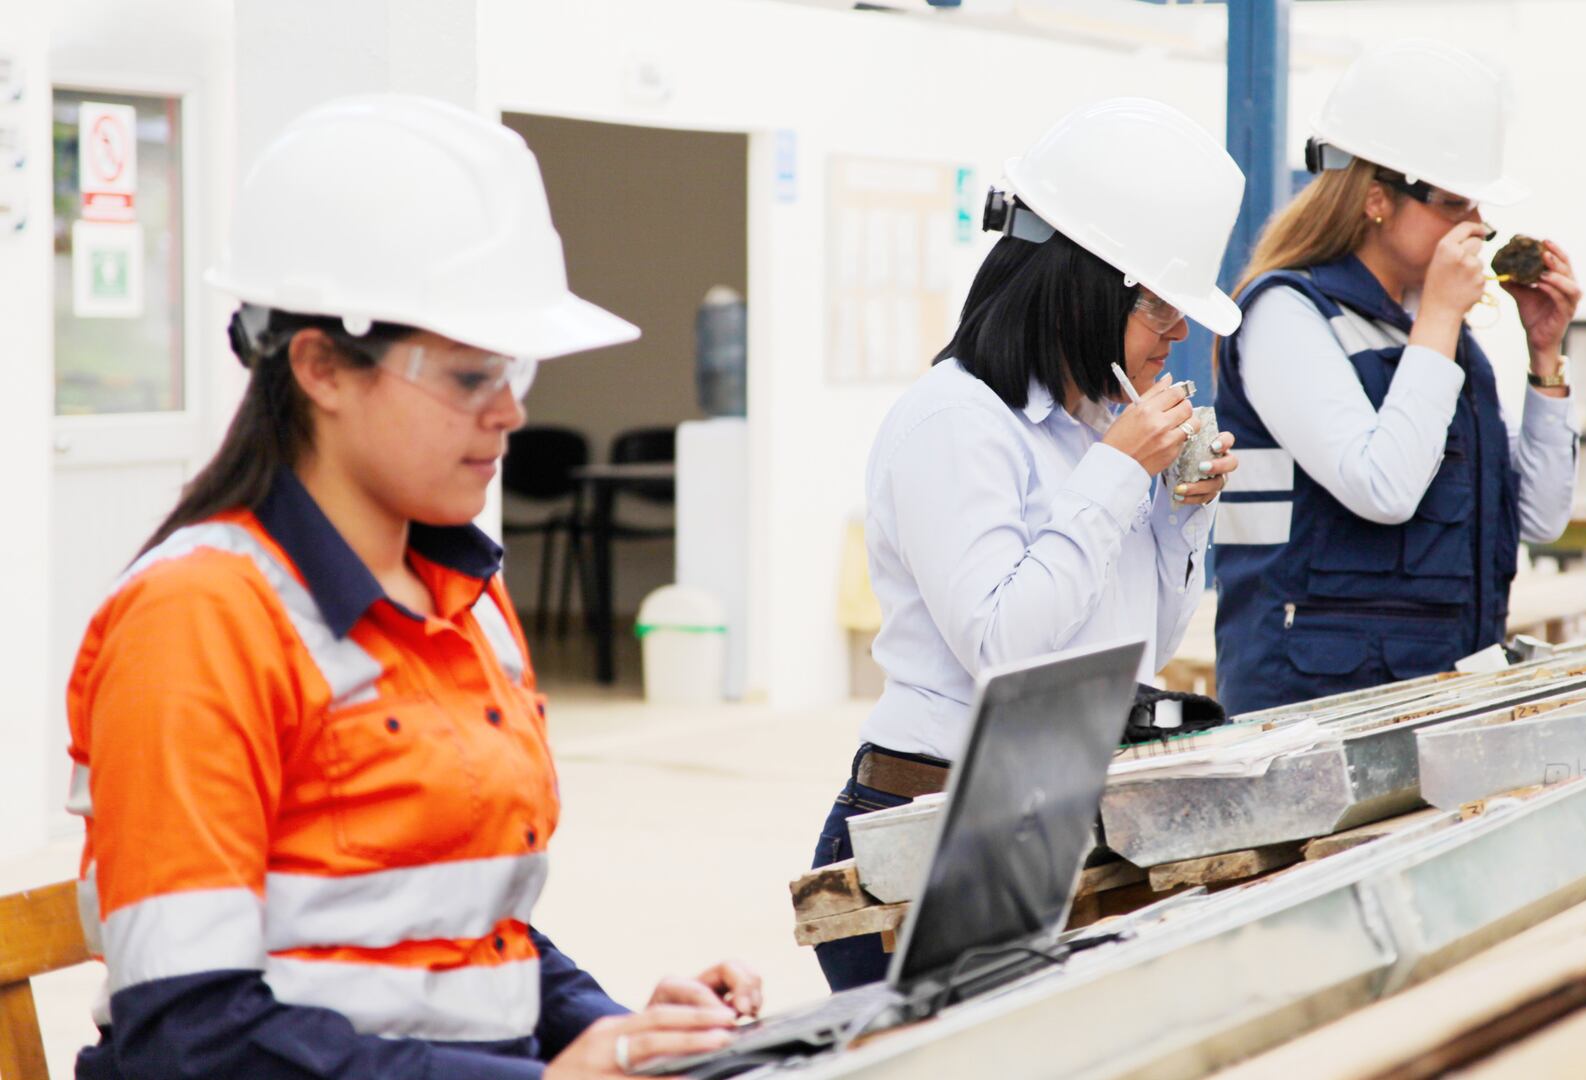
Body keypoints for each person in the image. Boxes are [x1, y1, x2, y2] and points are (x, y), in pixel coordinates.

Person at [66, 94, 761, 1080]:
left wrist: (620, 1036)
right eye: (470, 375)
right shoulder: (196, 621)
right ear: (321, 366)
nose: (512, 411)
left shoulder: (460, 594)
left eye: (512, 368)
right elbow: (192, 1039)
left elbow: (462, 929)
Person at [808, 97, 1247, 991]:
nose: (1178, 335)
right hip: (925, 821)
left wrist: (1179, 511)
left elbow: (1141, 653)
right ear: (1085, 284)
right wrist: (1120, 476)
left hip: (1051, 811)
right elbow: (1005, 646)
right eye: (1161, 308)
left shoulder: (1096, 426)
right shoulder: (954, 421)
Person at [1211, 39, 1582, 715]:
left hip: (1429, 700)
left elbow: (1539, 518)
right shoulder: (1285, 316)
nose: (1476, 227)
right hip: (1309, 712)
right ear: (1377, 199)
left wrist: (1545, 359)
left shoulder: (1435, 337)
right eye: (1454, 203)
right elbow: (1382, 488)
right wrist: (1440, 316)